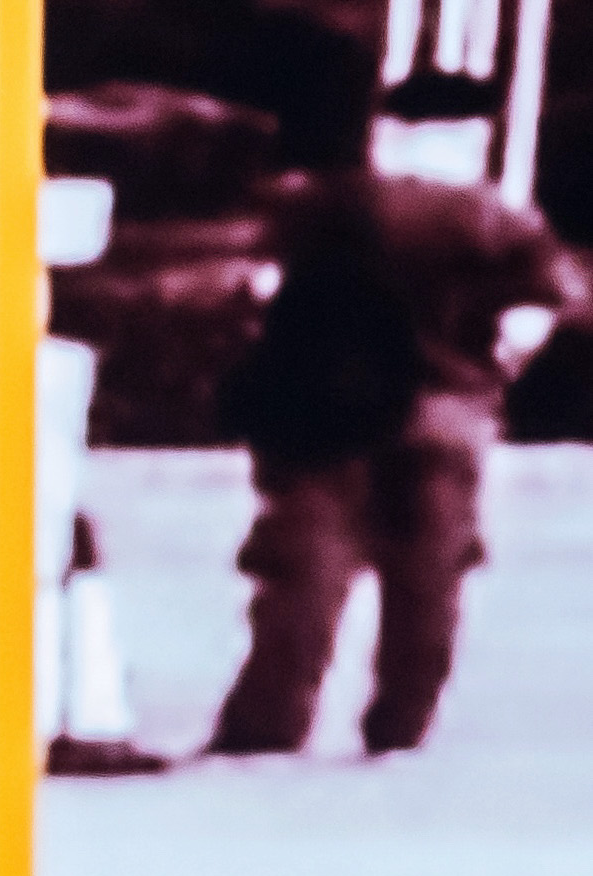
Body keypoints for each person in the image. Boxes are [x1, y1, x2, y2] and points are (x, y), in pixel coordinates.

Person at [203, 99, 587, 758]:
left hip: (320, 411)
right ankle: (398, 724)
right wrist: (499, 360)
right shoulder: (494, 220)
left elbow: (255, 285)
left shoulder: (320, 206)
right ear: (472, 140)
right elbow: (547, 302)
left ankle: (267, 724)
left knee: (305, 570)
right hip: (444, 412)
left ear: (385, 135)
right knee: (428, 577)